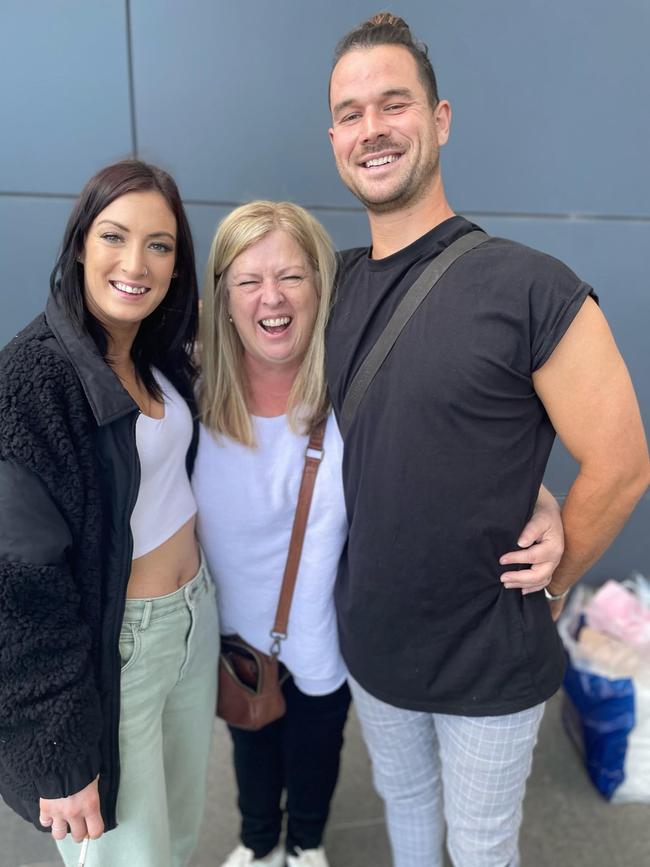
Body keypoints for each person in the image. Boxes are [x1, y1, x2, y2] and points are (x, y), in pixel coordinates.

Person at [325, 13, 650, 867]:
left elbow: (621, 464)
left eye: (393, 104)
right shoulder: (334, 284)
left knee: (478, 847)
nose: (372, 129)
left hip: (488, 661)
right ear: (334, 138)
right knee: (405, 812)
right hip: (371, 641)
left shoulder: (531, 286)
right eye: (351, 112)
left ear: (439, 121)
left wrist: (557, 577)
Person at [193, 200, 565, 867]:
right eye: (248, 280)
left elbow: (452, 451)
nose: (271, 297)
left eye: (291, 277)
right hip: (232, 640)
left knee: (313, 758)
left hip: (328, 638)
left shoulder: (348, 387)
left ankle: (304, 845)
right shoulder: (190, 389)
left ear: (321, 289)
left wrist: (542, 500)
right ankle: (256, 845)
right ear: (221, 296)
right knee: (250, 750)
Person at [0, 160, 219, 867]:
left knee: (176, 837)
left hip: (192, 621)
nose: (136, 263)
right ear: (80, 247)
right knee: (128, 858)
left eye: (159, 244)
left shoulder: (155, 354)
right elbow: (17, 585)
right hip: (118, 649)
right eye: (114, 236)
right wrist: (56, 744)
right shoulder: (34, 378)